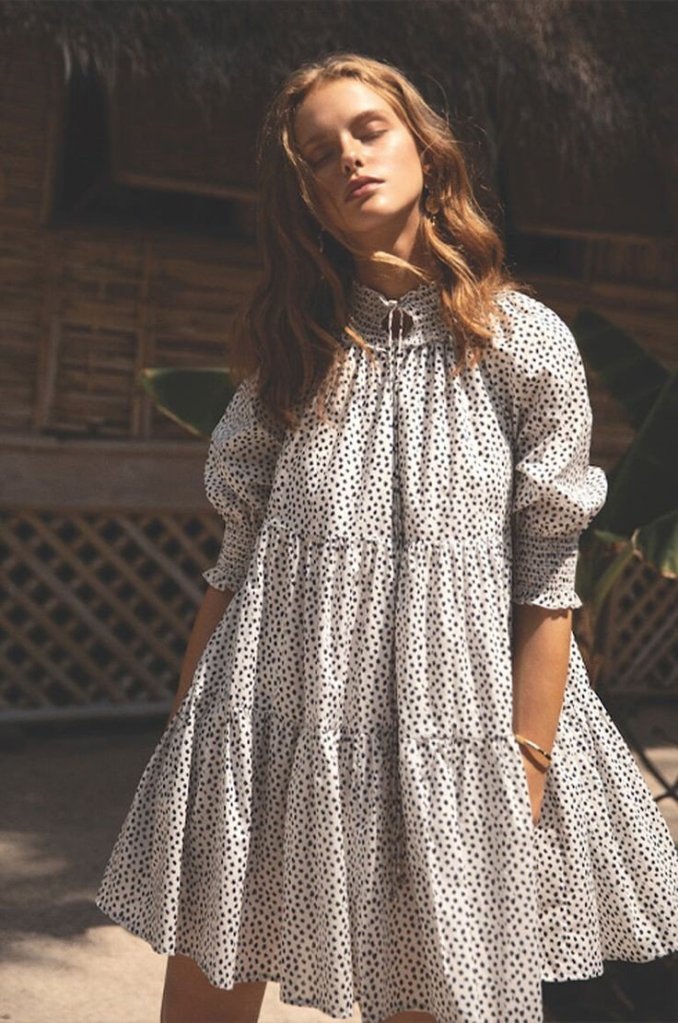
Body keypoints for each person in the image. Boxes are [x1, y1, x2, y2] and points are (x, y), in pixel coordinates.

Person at [95, 52, 678, 1023]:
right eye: (319, 155)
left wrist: (524, 772)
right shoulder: (293, 359)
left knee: (423, 996)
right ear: (307, 199)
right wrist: (191, 740)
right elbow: (235, 567)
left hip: (450, 742)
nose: (350, 161)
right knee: (204, 998)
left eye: (368, 131)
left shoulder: (525, 345)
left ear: (425, 150)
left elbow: (546, 578)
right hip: (272, 725)